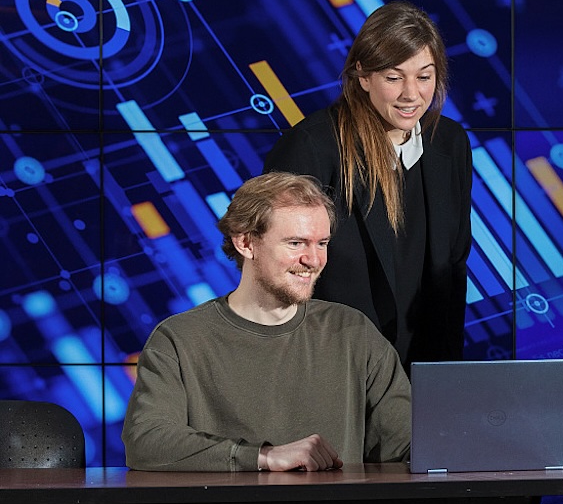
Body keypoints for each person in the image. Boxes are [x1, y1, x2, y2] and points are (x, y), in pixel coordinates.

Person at [122, 172, 411, 471]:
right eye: (296, 243)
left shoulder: (352, 331)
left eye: (321, 243)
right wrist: (264, 457)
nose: (313, 259)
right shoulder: (179, 339)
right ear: (246, 243)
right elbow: (146, 442)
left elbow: (405, 443)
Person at [262, 1, 472, 372]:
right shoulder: (311, 148)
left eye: (424, 76)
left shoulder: (449, 142)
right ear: (362, 76)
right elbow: (278, 276)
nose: (412, 94)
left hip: (425, 367)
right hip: (336, 368)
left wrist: (447, 377)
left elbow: (454, 267)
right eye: (394, 77)